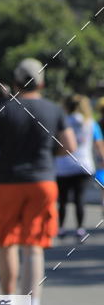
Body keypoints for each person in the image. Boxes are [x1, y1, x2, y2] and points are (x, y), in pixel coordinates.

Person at [0, 59, 76, 305]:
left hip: (9, 181)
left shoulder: (3, 109)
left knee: (7, 242)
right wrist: (47, 154)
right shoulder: (53, 110)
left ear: (17, 81)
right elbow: (70, 146)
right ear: (41, 82)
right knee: (34, 244)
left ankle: (8, 303)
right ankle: (33, 304)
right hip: (43, 181)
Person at [56, 94, 104, 239]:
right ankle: (80, 228)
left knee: (63, 199)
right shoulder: (91, 123)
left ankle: (61, 228)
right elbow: (99, 145)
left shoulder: (62, 121)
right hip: (84, 165)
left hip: (63, 165)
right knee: (79, 198)